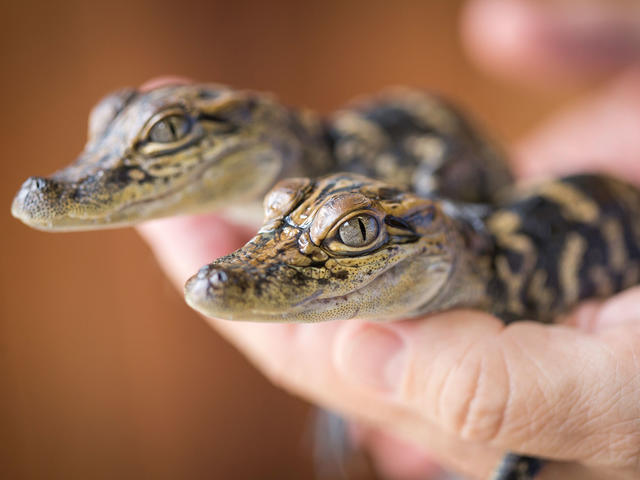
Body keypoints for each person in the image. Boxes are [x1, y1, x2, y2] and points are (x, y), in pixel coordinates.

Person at [138, 1, 640, 478]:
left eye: (354, 233)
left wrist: (524, 446)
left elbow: (548, 399)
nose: (229, 274)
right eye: (278, 209)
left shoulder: (509, 290)